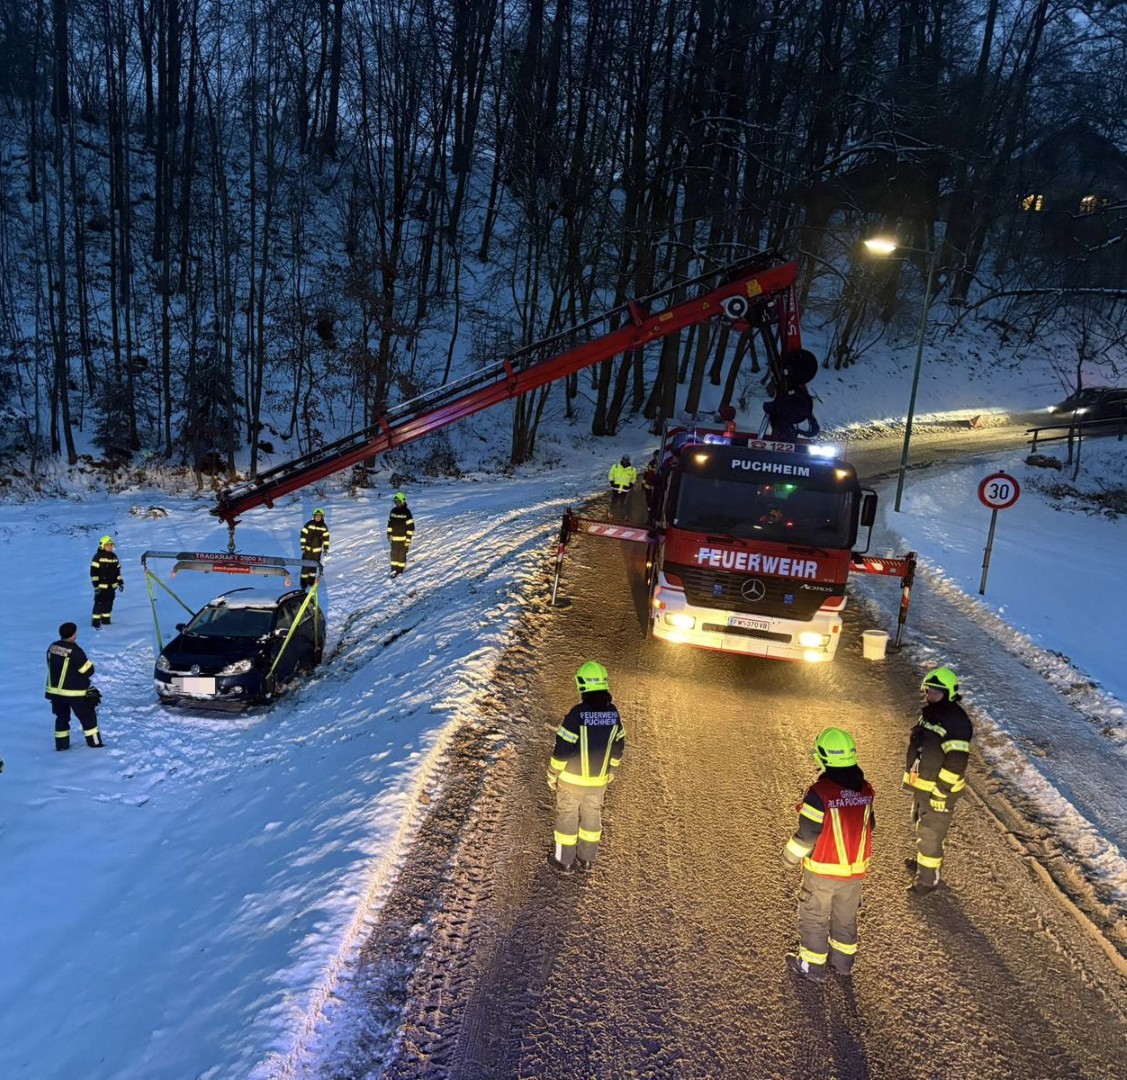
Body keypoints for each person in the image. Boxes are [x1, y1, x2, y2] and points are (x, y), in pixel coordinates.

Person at [782, 727, 875, 980]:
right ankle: (843, 965)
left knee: (814, 918)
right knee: (845, 919)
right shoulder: (865, 790)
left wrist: (789, 857)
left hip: (822, 873)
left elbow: (808, 834)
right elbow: (870, 826)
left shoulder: (820, 794)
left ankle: (812, 967)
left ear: (824, 757)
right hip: (854, 876)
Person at [546, 661, 625, 874]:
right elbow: (618, 746)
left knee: (567, 820)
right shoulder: (614, 715)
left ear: (582, 685)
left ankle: (564, 862)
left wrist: (553, 774)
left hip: (571, 781)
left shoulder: (576, 715)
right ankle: (587, 859)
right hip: (598, 783)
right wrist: (612, 770)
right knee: (592, 818)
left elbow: (562, 750)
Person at [904, 666, 973, 894]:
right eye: (929, 690)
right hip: (925, 786)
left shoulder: (956, 722)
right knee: (923, 827)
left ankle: (927, 881)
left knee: (931, 834)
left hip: (940, 791)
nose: (931, 695)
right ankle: (925, 866)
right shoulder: (932, 713)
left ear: (949, 693)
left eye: (937, 691)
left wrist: (941, 792)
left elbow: (956, 763)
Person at [46, 622, 104, 750]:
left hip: (55, 693)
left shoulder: (52, 647)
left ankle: (61, 746)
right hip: (75, 693)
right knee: (88, 719)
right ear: (73, 635)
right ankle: (95, 744)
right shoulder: (75, 651)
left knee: (61, 718)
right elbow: (88, 671)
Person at [90, 535, 124, 629]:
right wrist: (96, 586)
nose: (110, 547)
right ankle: (96, 621)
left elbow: (118, 571)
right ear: (102, 545)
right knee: (99, 603)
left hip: (112, 587)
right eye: (108, 545)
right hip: (101, 587)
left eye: (111, 545)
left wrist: (120, 582)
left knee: (109, 603)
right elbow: (93, 573)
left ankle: (106, 620)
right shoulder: (97, 557)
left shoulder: (114, 557)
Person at [299, 508, 330, 590]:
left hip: (317, 552)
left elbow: (326, 539)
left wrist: (326, 548)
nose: (318, 517)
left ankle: (311, 582)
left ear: (322, 517)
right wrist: (303, 547)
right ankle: (303, 584)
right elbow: (303, 536)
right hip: (307, 550)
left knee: (313, 568)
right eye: (316, 516)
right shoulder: (309, 524)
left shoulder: (324, 527)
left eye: (320, 516)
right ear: (314, 516)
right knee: (305, 567)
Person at [386, 491, 415, 577]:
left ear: (403, 501)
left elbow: (411, 527)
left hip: (403, 539)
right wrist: (389, 534)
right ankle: (394, 569)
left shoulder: (407, 512)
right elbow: (390, 523)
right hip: (394, 539)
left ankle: (400, 570)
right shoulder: (393, 511)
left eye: (398, 501)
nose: (397, 503)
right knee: (394, 554)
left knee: (402, 555)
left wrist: (408, 539)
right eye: (395, 502)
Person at [608, 454, 637, 520]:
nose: (625, 461)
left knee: (623, 502)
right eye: (624, 459)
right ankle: (611, 514)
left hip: (625, 489)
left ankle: (623, 515)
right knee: (614, 501)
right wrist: (612, 482)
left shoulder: (632, 469)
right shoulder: (615, 467)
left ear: (628, 460)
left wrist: (631, 484)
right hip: (616, 488)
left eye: (626, 460)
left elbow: (633, 478)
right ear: (622, 459)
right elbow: (610, 475)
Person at [641, 452, 659, 518]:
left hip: (656, 486)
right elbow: (646, 473)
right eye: (655, 456)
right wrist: (643, 483)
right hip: (648, 485)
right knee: (648, 500)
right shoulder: (651, 463)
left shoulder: (661, 463)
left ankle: (653, 515)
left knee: (655, 501)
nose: (655, 457)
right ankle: (648, 515)